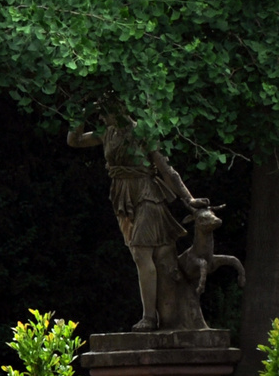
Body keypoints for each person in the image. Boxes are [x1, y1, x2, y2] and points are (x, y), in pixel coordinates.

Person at [68, 112, 207, 330]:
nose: (102, 116)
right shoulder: (107, 132)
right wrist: (80, 112)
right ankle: (159, 316)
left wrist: (189, 200)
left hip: (146, 194)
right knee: (145, 255)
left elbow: (167, 171)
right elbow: (74, 140)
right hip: (123, 197)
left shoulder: (142, 131)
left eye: (104, 110)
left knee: (142, 253)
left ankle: (149, 318)